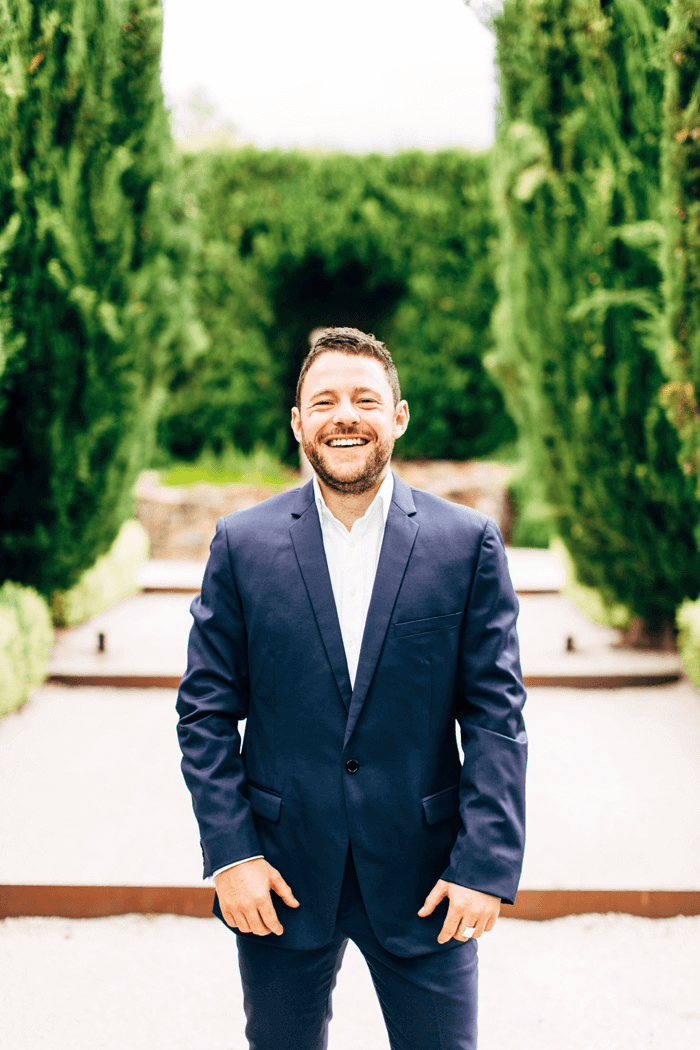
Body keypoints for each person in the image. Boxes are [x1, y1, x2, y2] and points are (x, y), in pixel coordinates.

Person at [176, 327, 527, 1050]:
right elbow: (205, 713)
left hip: (430, 879)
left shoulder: (467, 544)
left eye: (367, 399)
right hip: (279, 877)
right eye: (325, 400)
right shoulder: (241, 545)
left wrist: (485, 865)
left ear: (398, 417)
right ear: (299, 421)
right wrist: (232, 855)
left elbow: (496, 715)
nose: (346, 415)